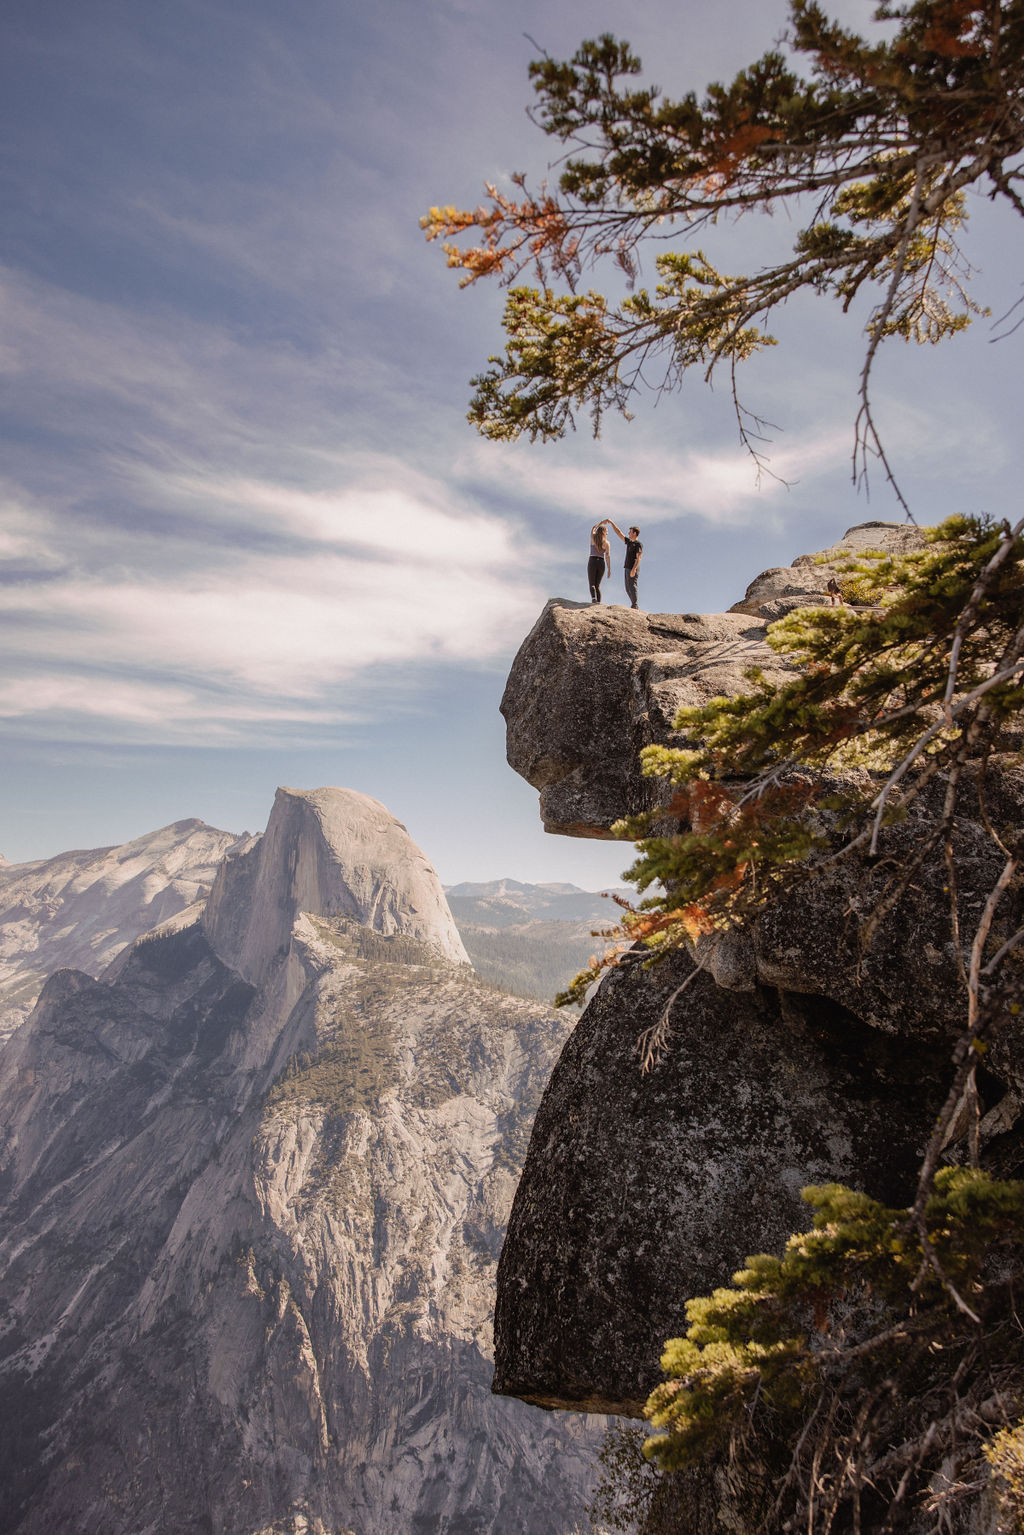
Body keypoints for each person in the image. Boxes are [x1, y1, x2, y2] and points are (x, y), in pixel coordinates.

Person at [605, 520, 643, 608]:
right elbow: (619, 533)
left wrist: (634, 569)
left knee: (632, 586)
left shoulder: (638, 544)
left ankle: (635, 605)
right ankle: (633, 604)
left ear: (634, 533)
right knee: (627, 588)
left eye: (630, 532)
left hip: (633, 568)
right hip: (627, 568)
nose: (628, 533)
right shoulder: (629, 542)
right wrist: (611, 523)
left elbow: (639, 558)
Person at [588, 522, 611, 603]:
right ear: (604, 532)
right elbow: (607, 556)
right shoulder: (607, 543)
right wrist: (609, 569)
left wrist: (601, 522)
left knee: (592, 583)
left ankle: (593, 598)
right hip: (601, 562)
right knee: (597, 585)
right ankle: (599, 602)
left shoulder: (593, 537)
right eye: (607, 531)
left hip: (592, 561)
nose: (607, 533)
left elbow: (594, 527)